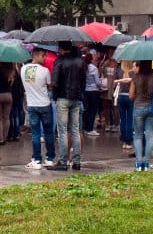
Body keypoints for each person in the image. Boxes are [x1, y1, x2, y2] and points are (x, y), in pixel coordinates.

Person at [51, 42, 86, 171]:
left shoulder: (59, 61)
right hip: (76, 98)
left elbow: (54, 82)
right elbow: (83, 82)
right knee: (75, 130)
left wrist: (54, 94)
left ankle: (63, 161)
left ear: (61, 49)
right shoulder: (80, 62)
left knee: (62, 131)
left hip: (62, 97)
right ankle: (76, 161)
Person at [21, 47, 55, 169]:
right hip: (45, 104)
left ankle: (36, 160)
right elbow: (49, 85)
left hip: (32, 105)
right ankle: (50, 158)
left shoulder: (23, 69)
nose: (45, 58)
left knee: (35, 133)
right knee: (49, 132)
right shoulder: (45, 71)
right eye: (43, 55)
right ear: (36, 55)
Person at [131, 60, 153, 171]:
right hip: (151, 107)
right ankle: (146, 163)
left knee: (138, 136)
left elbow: (130, 95)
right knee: (149, 135)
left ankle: (138, 163)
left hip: (138, 106)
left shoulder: (135, 77)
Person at [0, 62, 15, 146]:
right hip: (8, 95)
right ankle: (5, 137)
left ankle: (0, 139)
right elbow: (11, 84)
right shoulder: (11, 71)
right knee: (7, 118)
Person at [115, 61, 135, 150]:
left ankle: (123, 140)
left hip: (120, 96)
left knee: (123, 119)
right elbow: (132, 80)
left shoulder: (119, 70)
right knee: (129, 119)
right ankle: (128, 141)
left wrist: (118, 80)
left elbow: (115, 82)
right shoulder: (133, 72)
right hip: (130, 97)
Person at [82, 52, 102, 137]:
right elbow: (97, 82)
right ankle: (90, 129)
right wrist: (102, 84)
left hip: (85, 91)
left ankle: (85, 127)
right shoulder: (94, 68)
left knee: (86, 110)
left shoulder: (83, 67)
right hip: (94, 91)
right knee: (93, 111)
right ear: (91, 59)